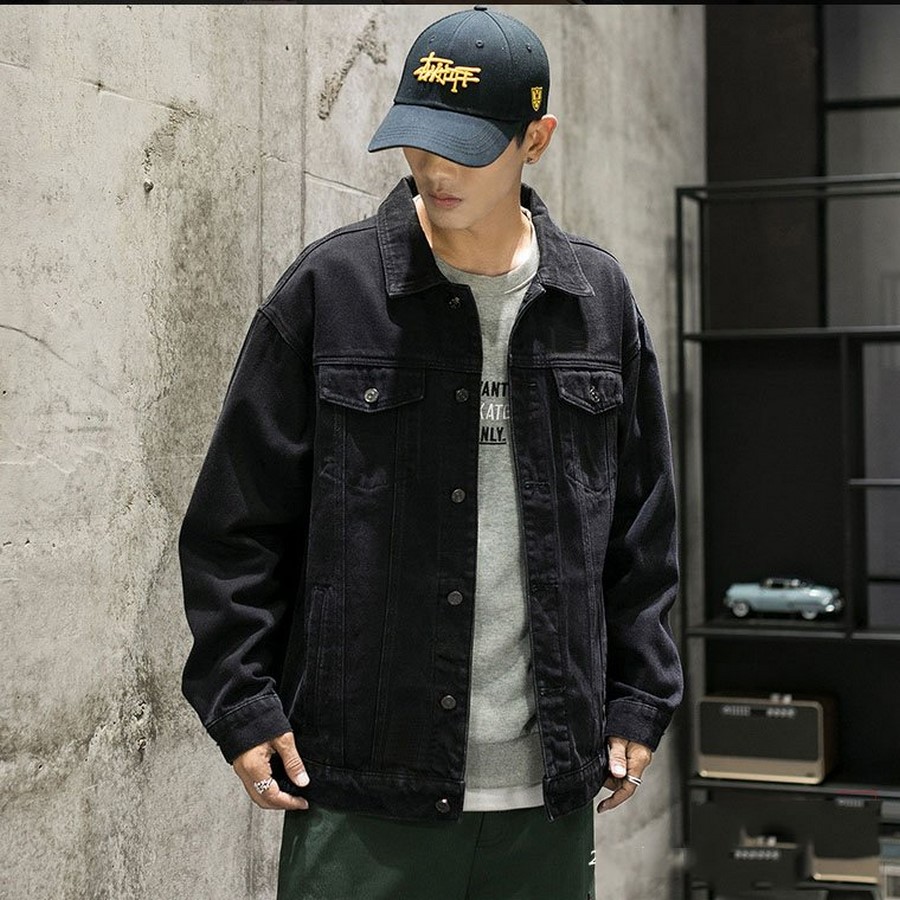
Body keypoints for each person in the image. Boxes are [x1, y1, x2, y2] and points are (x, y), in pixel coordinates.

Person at [179, 6, 683, 899]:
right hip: (364, 787)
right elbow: (235, 520)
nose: (435, 168)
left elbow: (641, 533)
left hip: (548, 797)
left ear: (536, 140)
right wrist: (241, 700)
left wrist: (642, 698)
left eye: (467, 147)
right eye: (419, 140)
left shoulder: (597, 303)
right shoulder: (331, 290)